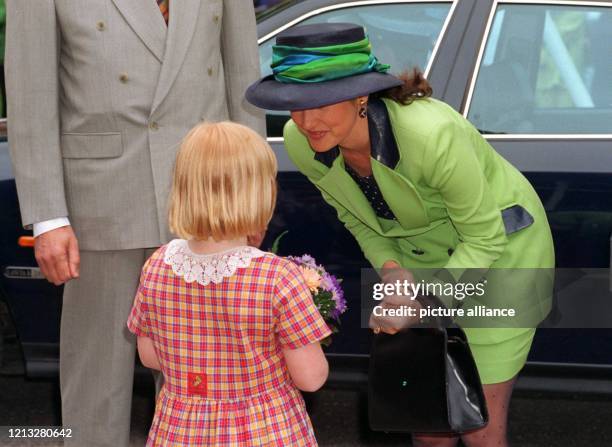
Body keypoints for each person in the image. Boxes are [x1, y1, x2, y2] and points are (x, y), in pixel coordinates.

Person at [246, 23, 554, 447]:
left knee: (480, 426)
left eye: (320, 103)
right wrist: (394, 274)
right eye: (295, 104)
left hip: (501, 258)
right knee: (428, 424)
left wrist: (423, 304)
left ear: (360, 95)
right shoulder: (303, 142)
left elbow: (483, 238)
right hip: (423, 262)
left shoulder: (432, 134)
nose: (306, 120)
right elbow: (356, 219)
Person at [5, 1, 264, 445]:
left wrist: (251, 193)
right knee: (96, 382)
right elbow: (31, 94)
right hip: (102, 198)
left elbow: (243, 73)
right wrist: (48, 216)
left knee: (209, 373)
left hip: (207, 193)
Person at [127, 121, 330, 446]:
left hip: (181, 430)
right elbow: (311, 377)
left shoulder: (157, 265)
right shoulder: (277, 277)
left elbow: (150, 356)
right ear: (259, 194)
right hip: (263, 430)